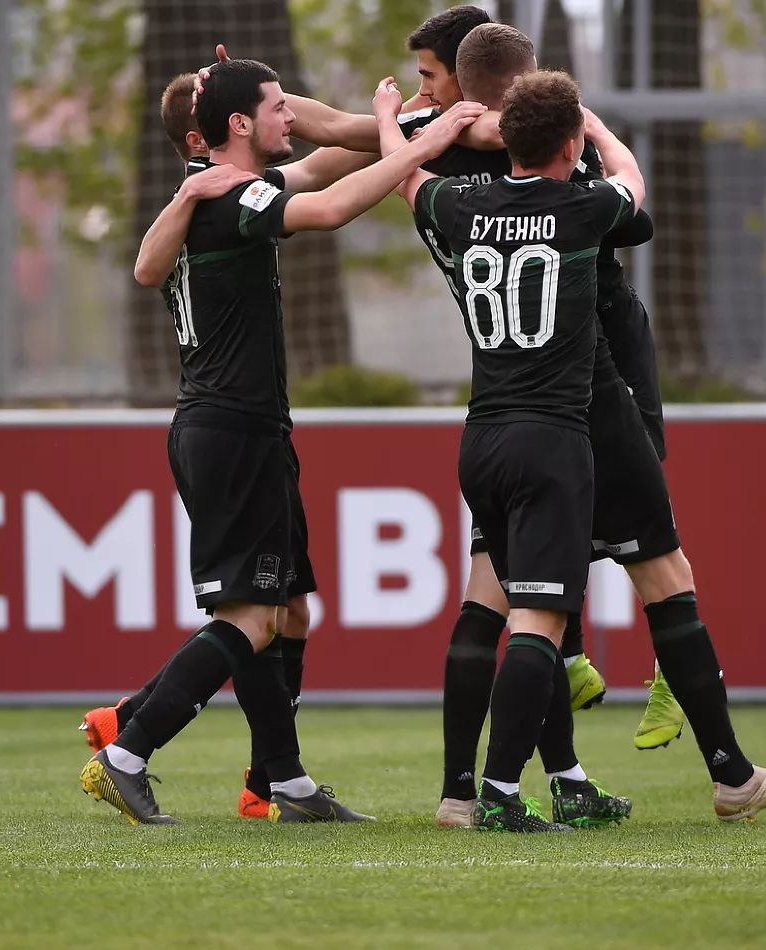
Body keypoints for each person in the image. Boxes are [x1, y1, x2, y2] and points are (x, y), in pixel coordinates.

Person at [77, 60, 485, 826]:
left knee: (287, 609)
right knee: (253, 617)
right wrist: (423, 150)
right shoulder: (231, 199)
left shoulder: (222, 191)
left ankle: (283, 782)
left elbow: (324, 163)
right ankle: (128, 748)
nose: (289, 116)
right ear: (237, 124)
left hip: (241, 427)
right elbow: (329, 208)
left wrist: (402, 123)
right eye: (275, 106)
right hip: (233, 432)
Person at [389, 67, 640, 832]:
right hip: (550, 441)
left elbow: (406, 179)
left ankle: (474, 791)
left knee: (495, 607)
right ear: (568, 145)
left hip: (482, 442)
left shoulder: (464, 205)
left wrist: (392, 120)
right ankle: (500, 793)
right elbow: (633, 183)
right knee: (541, 623)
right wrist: (600, 130)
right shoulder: (585, 206)